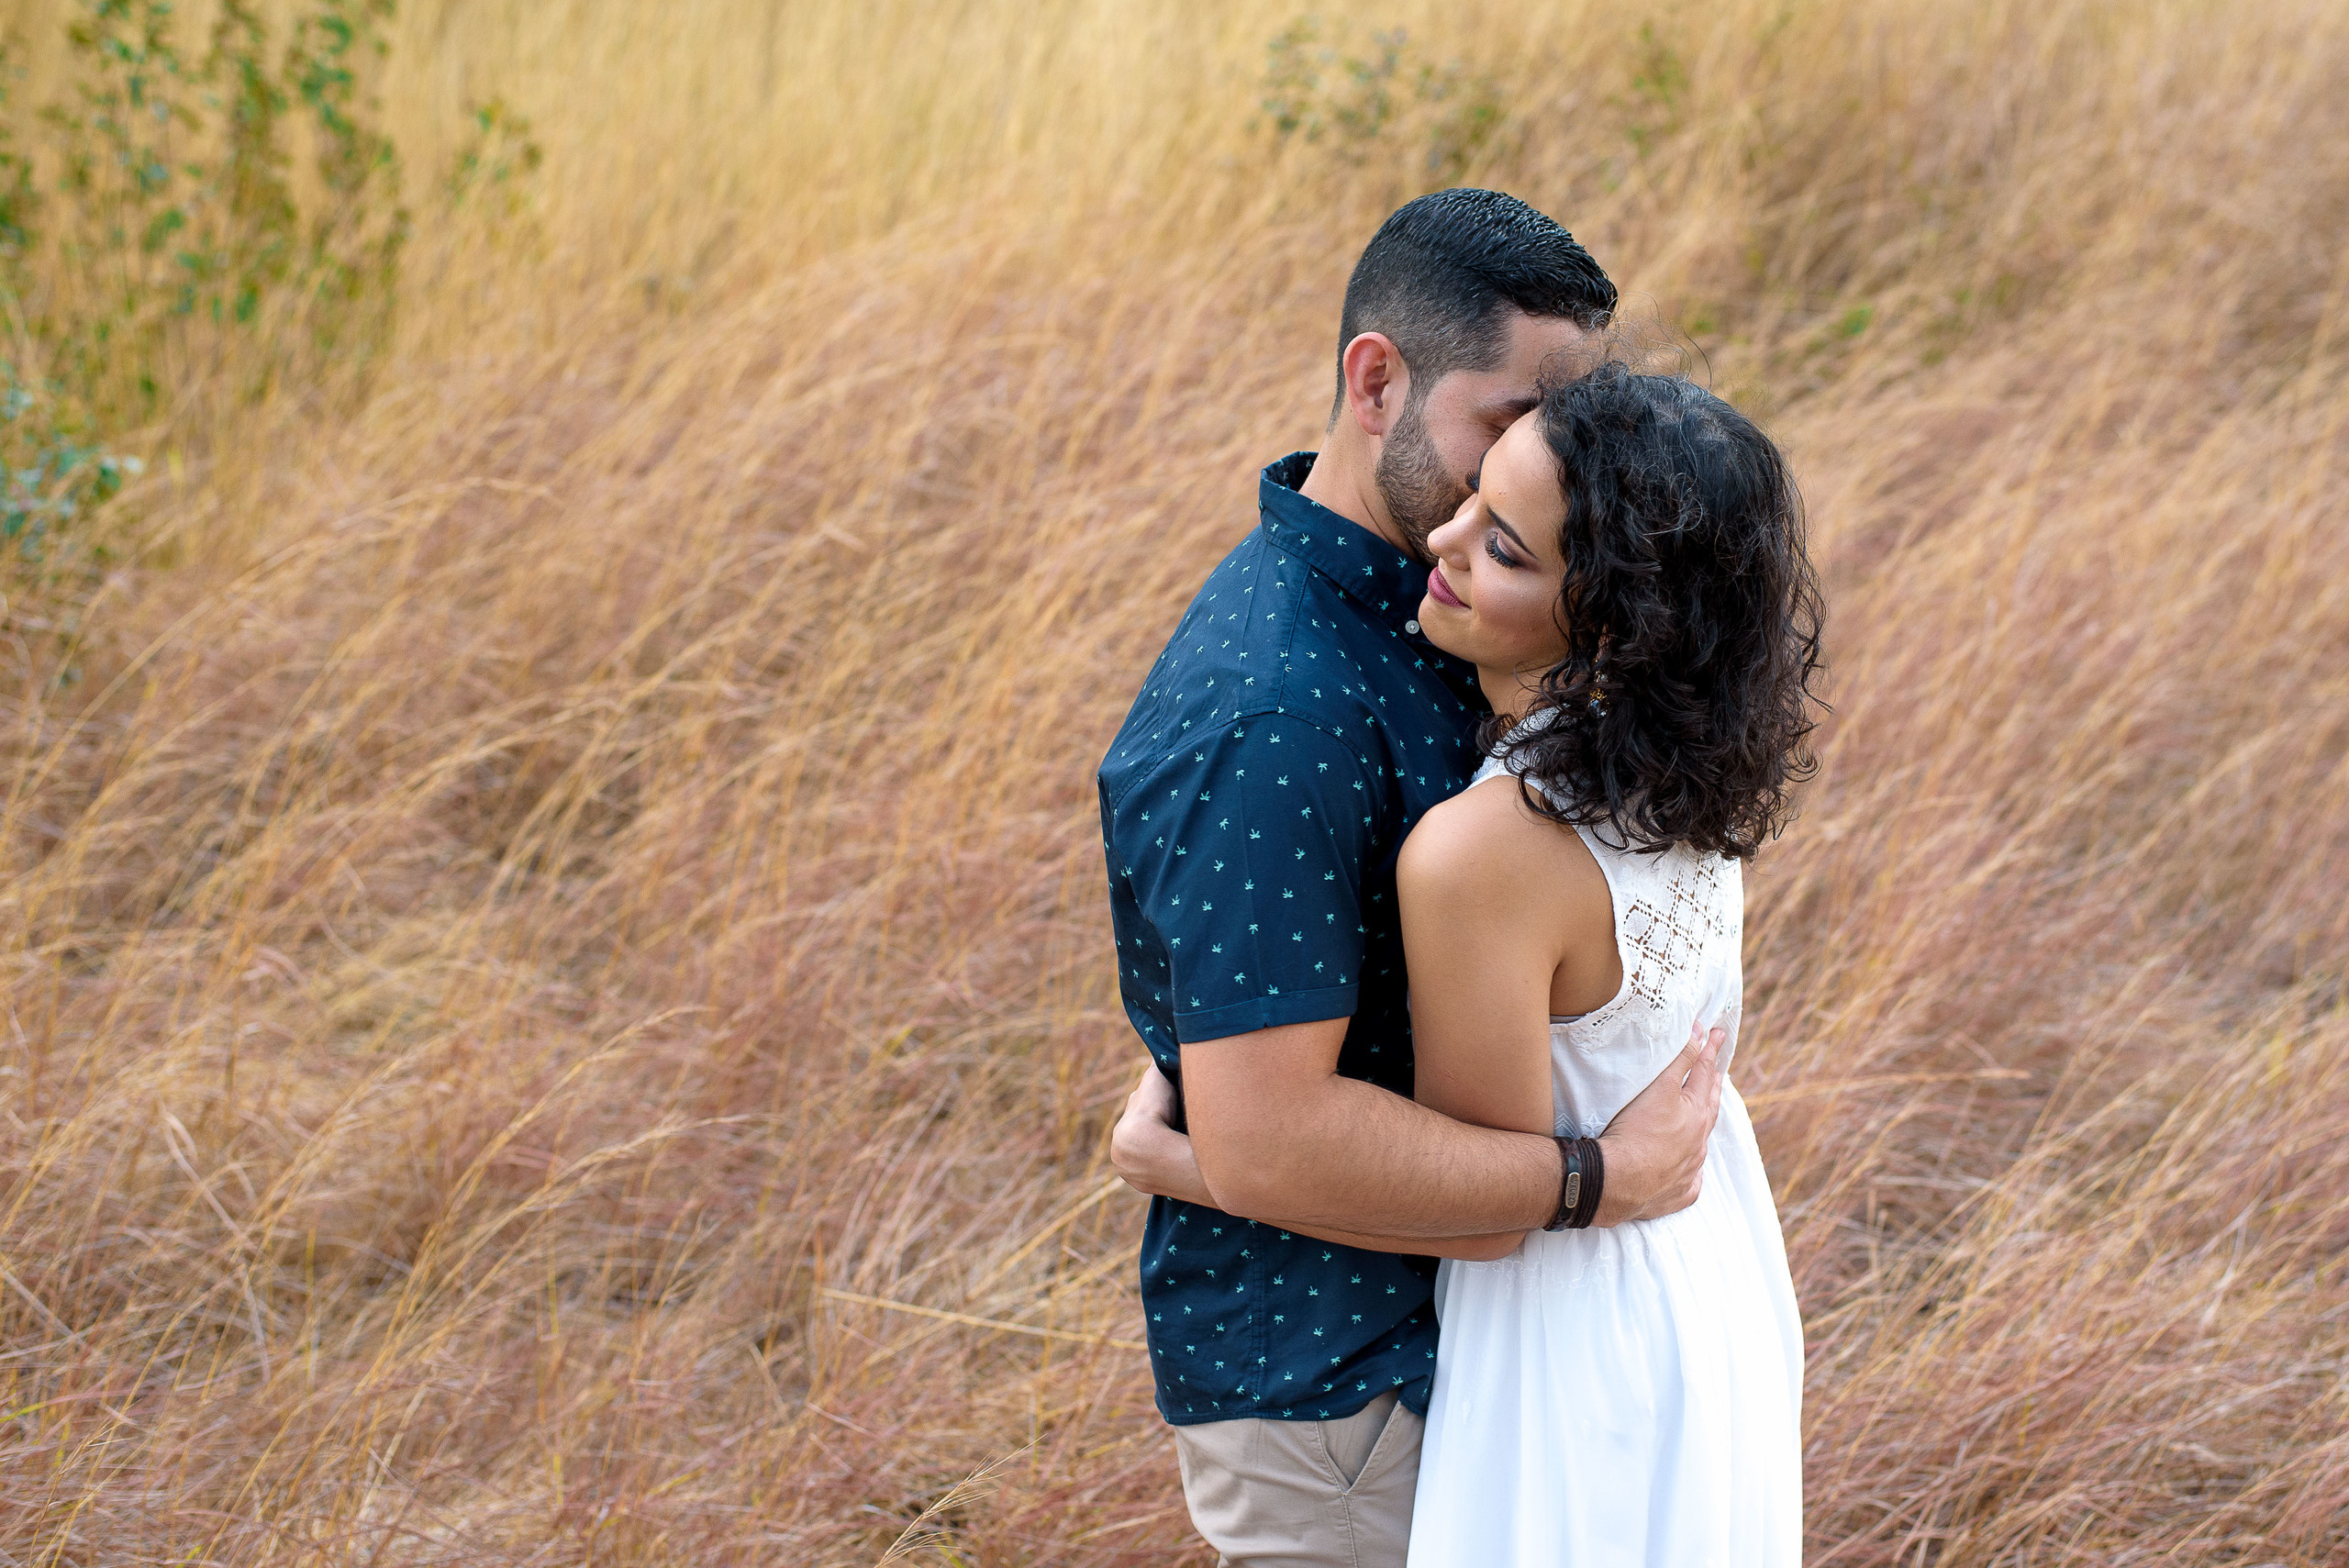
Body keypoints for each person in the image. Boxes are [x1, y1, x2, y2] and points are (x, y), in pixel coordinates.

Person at [1097, 189, 1735, 1567]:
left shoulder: (1478, 615)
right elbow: (1266, 1139)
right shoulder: (1277, 719)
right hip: (1349, 1401)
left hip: (1510, 1360)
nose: (1543, 470)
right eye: (1506, 430)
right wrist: (1594, 1179)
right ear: (1376, 380)